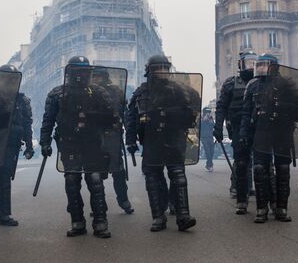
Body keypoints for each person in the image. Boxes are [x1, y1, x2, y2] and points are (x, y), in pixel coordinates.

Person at [39, 56, 115, 238]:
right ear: (70, 73)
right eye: (78, 71)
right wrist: (45, 141)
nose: (81, 75)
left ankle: (100, 222)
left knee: (95, 181)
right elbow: (48, 121)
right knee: (72, 181)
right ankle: (77, 221)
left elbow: (111, 119)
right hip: (69, 143)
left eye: (84, 71)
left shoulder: (99, 92)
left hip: (93, 143)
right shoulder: (57, 93)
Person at [126, 55, 199, 232]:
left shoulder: (180, 90)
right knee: (153, 178)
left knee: (178, 176)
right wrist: (130, 140)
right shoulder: (141, 92)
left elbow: (191, 111)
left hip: (174, 138)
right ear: (150, 70)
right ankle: (158, 217)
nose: (163, 72)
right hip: (152, 141)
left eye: (166, 68)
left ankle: (183, 215)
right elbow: (131, 118)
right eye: (159, 68)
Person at [240, 54, 298, 223]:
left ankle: (281, 208)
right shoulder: (252, 85)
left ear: (274, 66)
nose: (261, 68)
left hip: (281, 132)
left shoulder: (286, 84)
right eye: (259, 65)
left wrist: (282, 108)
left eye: (264, 65)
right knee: (260, 169)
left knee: (283, 170)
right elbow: (246, 113)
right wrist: (244, 133)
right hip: (261, 132)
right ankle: (261, 208)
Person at [0, 64, 35, 230]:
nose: (9, 81)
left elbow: (26, 123)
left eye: (12, 78)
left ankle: (5, 214)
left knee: (5, 179)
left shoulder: (22, 100)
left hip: (11, 144)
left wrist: (29, 145)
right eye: (7, 78)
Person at [214, 51, 256, 212]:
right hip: (238, 128)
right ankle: (239, 192)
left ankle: (250, 187)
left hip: (257, 127)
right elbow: (221, 107)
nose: (251, 66)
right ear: (241, 65)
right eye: (248, 63)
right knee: (241, 161)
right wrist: (218, 127)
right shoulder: (231, 83)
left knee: (256, 161)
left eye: (254, 63)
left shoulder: (260, 82)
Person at [91, 68, 134, 214]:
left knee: (118, 171)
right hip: (93, 136)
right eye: (93, 76)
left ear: (104, 77)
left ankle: (123, 200)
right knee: (95, 173)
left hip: (112, 135)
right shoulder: (88, 92)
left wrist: (130, 137)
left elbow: (126, 113)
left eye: (98, 76)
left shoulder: (116, 92)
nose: (95, 79)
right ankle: (99, 204)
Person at [200, 107, 215, 172]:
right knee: (208, 152)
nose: (208, 113)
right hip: (204, 137)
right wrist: (204, 120)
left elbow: (213, 126)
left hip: (210, 137)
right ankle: (210, 165)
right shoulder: (202, 119)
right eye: (207, 112)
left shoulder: (211, 119)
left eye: (209, 112)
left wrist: (211, 120)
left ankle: (208, 164)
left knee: (212, 152)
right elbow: (200, 126)